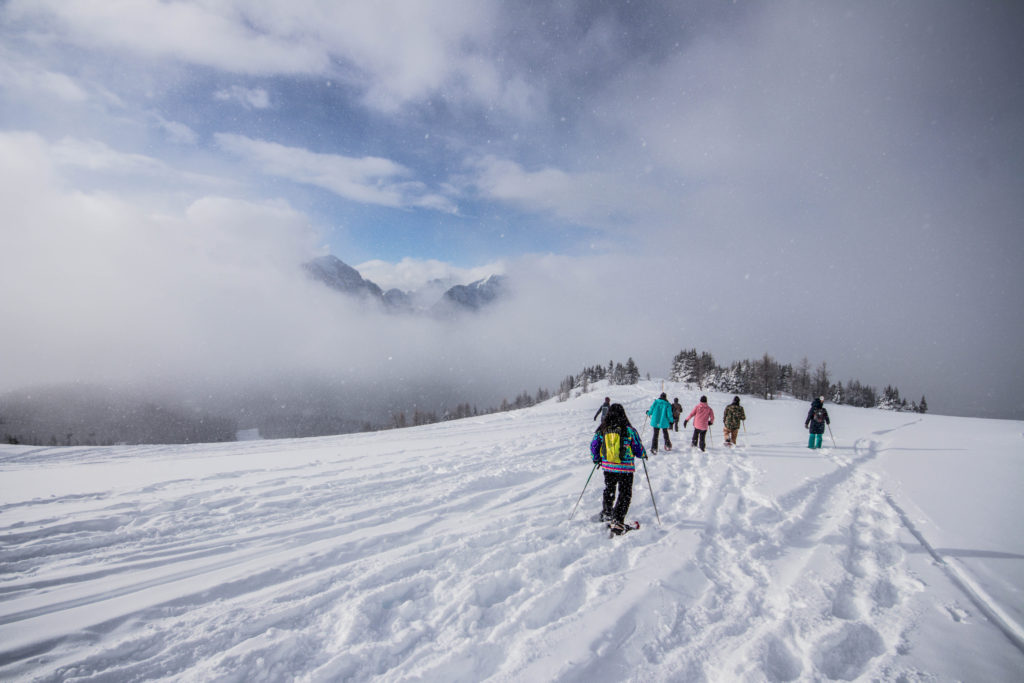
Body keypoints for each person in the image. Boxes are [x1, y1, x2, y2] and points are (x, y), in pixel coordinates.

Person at [590, 403, 648, 534]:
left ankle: (607, 512)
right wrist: (643, 454)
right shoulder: (629, 430)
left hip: (608, 465)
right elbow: (637, 447)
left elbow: (594, 445)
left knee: (609, 489)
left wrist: (596, 458)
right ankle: (617, 520)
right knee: (625, 493)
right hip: (625, 467)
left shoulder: (603, 429)